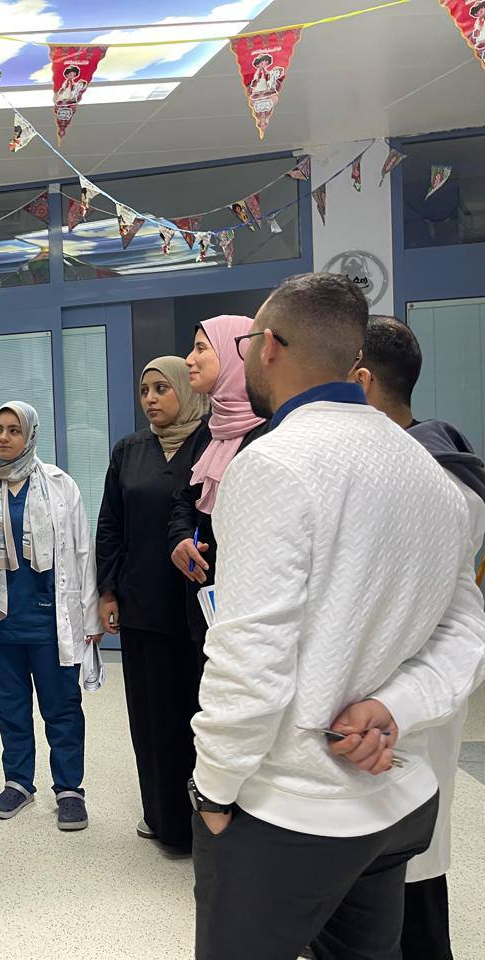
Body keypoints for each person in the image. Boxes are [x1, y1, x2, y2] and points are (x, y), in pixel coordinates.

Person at [188, 273, 485, 960]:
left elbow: (251, 655)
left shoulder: (272, 463)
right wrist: (396, 706)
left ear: (270, 346)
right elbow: (465, 629)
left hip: (291, 803)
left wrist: (214, 787)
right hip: (394, 800)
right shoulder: (431, 471)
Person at [354, 315, 485, 960]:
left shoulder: (426, 480)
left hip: (400, 704)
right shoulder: (434, 465)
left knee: (409, 884)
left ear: (361, 381)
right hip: (395, 708)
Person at [0, 402, 101, 829]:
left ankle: (69, 789)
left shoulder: (59, 486)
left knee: (62, 708)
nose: (3, 437)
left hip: (50, 623)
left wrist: (90, 619)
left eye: (14, 430)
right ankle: (18, 782)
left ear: (30, 435)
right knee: (10, 707)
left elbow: (82, 551)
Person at [96, 358, 209, 849]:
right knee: (150, 719)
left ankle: (204, 820)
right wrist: (107, 591)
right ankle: (163, 819)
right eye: (145, 390)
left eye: (162, 388)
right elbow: (110, 524)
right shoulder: (129, 450)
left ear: (186, 390)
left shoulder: (212, 443)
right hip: (141, 605)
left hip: (195, 610)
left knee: (196, 715)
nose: (151, 399)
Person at [168, 315, 266, 662]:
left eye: (200, 349)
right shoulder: (209, 431)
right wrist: (181, 537)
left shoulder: (270, 432)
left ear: (235, 355)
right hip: (206, 595)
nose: (189, 360)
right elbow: (185, 498)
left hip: (254, 603)